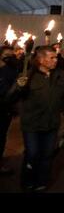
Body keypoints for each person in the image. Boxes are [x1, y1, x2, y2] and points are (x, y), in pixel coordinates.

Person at [14, 46, 64, 192]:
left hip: (51, 123)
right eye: (51, 57)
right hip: (32, 125)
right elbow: (11, 98)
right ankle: (28, 181)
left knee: (47, 155)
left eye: (56, 57)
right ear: (41, 60)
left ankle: (42, 181)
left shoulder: (60, 76)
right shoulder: (28, 76)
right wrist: (18, 87)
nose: (55, 60)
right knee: (32, 154)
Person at [0, 46, 20, 175]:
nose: (10, 57)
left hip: (4, 110)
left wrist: (18, 87)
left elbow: (13, 92)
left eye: (12, 55)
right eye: (7, 54)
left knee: (1, 137)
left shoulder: (12, 70)